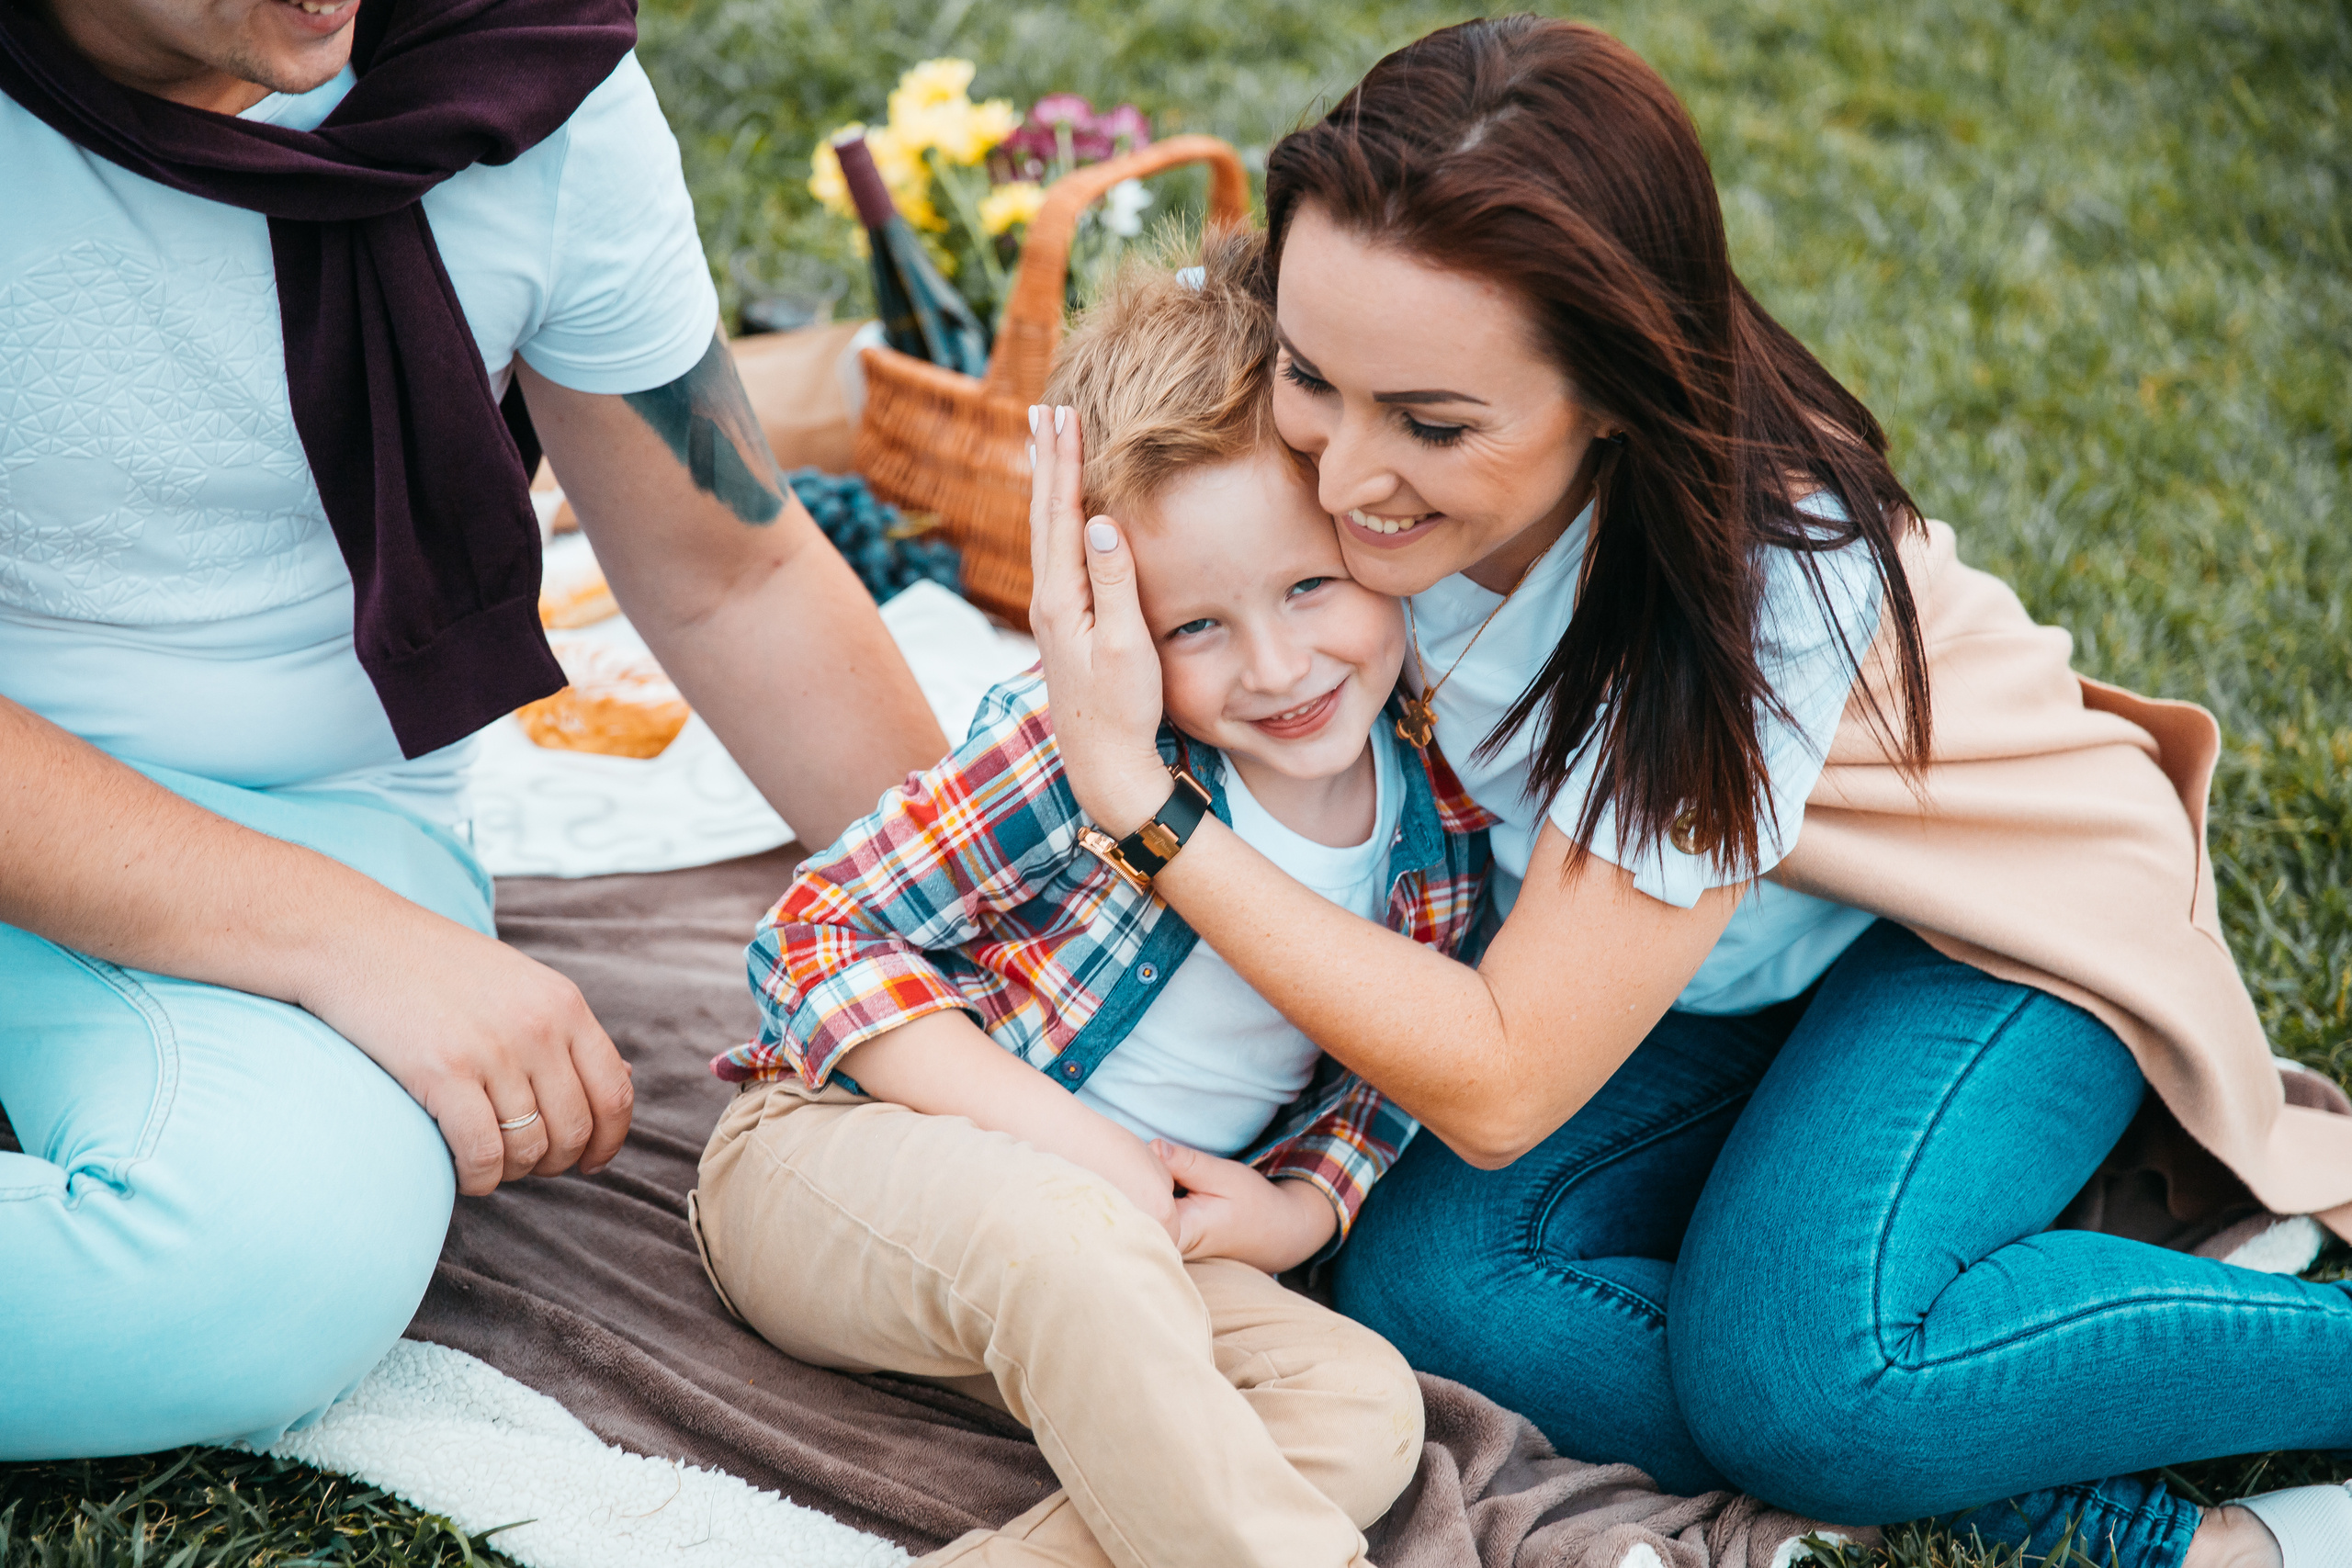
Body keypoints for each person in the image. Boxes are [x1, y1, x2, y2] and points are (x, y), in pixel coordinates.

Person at [1021, 18, 2352, 1568]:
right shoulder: (1354, 411)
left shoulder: (1757, 579)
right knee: (1432, 1291)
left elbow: (1503, 1078)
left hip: (1993, 936)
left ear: (1613, 393)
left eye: (1433, 426)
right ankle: (1989, 1383)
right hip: (1696, 967)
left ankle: (2143, 1449)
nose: (1342, 476)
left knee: (1800, 1382)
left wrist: (1146, 810)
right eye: (1312, 377)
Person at [0, 0, 945, 1455]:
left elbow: (733, 571)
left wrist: (997, 947)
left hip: (332, 814)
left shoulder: (526, 78)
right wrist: (355, 947)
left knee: (264, 1268)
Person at [690, 238, 1476, 1568]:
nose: (1277, 665)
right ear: (1111, 623)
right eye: (1196, 627)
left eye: (1310, 587)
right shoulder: (1088, 740)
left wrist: (1297, 1212)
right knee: (1075, 1241)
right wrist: (1082, 1154)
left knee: (1357, 1406)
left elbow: (1387, 1074)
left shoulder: (1438, 834)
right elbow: (814, 938)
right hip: (838, 1166)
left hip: (1132, 1263)